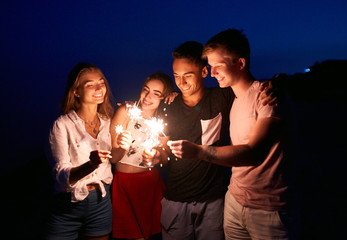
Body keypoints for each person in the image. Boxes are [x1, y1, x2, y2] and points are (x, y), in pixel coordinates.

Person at [168, 29, 299, 239]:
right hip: (234, 202)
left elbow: (253, 153)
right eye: (210, 67)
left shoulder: (267, 97)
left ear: (240, 63)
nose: (212, 73)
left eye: (218, 66)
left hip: (269, 209)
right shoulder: (234, 99)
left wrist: (199, 152)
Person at [142, 41, 279, 240]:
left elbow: (249, 87)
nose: (182, 82)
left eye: (188, 75)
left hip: (213, 201)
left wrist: (280, 81)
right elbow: (164, 153)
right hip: (176, 199)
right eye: (177, 76)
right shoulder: (168, 106)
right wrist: (155, 156)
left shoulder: (222, 97)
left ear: (204, 72)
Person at [46, 62, 114, 240]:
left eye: (101, 82)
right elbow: (61, 176)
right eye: (89, 85)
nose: (99, 87)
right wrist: (91, 164)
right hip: (68, 205)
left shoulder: (108, 122)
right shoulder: (63, 125)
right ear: (76, 91)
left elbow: (117, 157)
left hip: (101, 200)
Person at [110, 72, 175, 240]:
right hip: (124, 184)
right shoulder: (127, 111)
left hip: (150, 185)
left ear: (164, 98)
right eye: (146, 90)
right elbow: (113, 158)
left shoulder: (162, 121)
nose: (148, 96)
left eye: (156, 93)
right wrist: (122, 146)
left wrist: (158, 157)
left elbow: (166, 156)